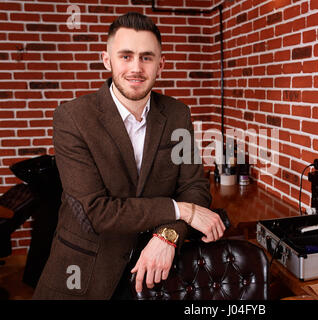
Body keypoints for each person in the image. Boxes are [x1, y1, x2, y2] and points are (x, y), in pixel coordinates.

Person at [32, 12, 225, 300]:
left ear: (161, 64)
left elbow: (194, 188)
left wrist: (168, 236)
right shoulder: (72, 117)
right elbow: (97, 211)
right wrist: (182, 211)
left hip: (156, 272)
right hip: (84, 271)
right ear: (107, 60)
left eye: (147, 57)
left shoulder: (177, 115)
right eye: (125, 56)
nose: (136, 67)